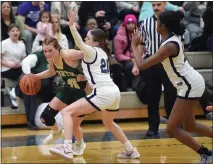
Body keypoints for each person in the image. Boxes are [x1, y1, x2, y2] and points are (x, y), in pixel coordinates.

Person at [48, 9, 140, 160]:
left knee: (66, 112)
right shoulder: (102, 53)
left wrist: (71, 26)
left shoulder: (92, 51)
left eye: (88, 37)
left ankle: (66, 148)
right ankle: (130, 150)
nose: (85, 38)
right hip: (113, 92)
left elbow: (78, 43)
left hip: (103, 92)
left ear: (95, 42)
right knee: (108, 122)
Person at [132, 11, 213, 164]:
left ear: (163, 26)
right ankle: (206, 153)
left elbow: (142, 65)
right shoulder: (170, 40)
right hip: (189, 83)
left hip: (189, 85)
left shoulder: (169, 45)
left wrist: (134, 45)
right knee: (190, 125)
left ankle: (205, 153)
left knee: (171, 128)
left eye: (157, 22)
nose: (155, 24)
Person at [34, 37, 90, 154]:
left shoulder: (68, 54)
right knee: (45, 116)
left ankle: (80, 143)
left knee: (75, 126)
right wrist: (35, 76)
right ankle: (56, 132)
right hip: (68, 89)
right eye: (45, 51)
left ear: (57, 48)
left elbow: (91, 55)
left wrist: (87, 75)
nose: (47, 54)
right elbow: (52, 72)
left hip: (82, 92)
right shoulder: (51, 59)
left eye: (50, 51)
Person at [138, 2, 177, 139]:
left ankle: (173, 127)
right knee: (152, 96)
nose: (155, 7)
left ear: (165, 4)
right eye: (153, 4)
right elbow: (141, 44)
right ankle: (153, 129)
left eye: (159, 4)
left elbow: (180, 42)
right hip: (151, 63)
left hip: (169, 62)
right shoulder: (145, 22)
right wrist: (138, 64)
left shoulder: (173, 21)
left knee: (171, 95)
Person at [1, 24, 27, 107]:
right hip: (5, 69)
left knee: (28, 73)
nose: (15, 32)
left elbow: (24, 59)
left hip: (18, 68)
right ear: (9, 33)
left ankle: (15, 92)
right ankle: (15, 91)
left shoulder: (22, 45)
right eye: (13, 31)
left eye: (17, 31)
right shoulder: (4, 43)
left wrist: (19, 64)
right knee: (23, 74)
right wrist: (8, 64)